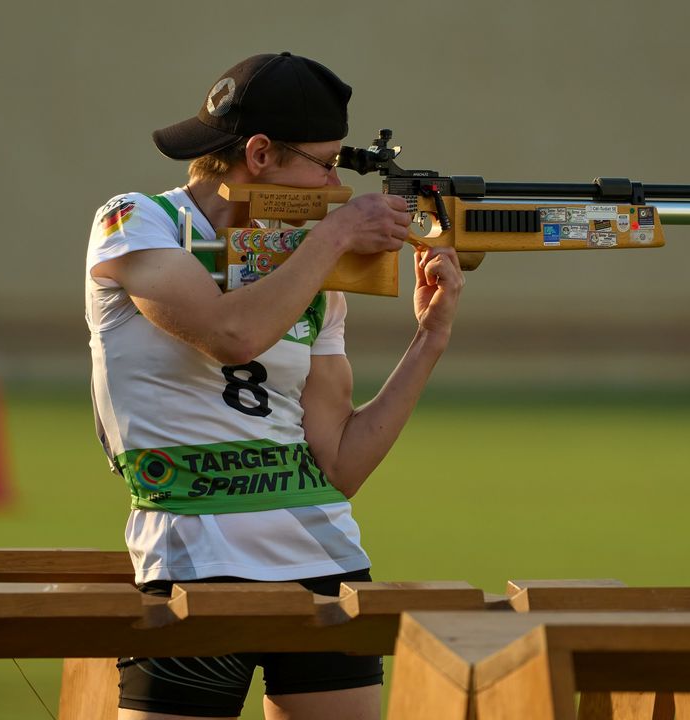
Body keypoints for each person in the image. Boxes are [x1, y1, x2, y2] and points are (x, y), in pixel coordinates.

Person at [84, 52, 464, 720]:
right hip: (191, 560)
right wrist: (337, 236)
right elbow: (230, 335)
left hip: (324, 558)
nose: (335, 185)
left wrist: (429, 340)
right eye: (326, 163)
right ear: (260, 154)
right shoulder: (134, 221)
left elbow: (339, 465)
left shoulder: (310, 266)